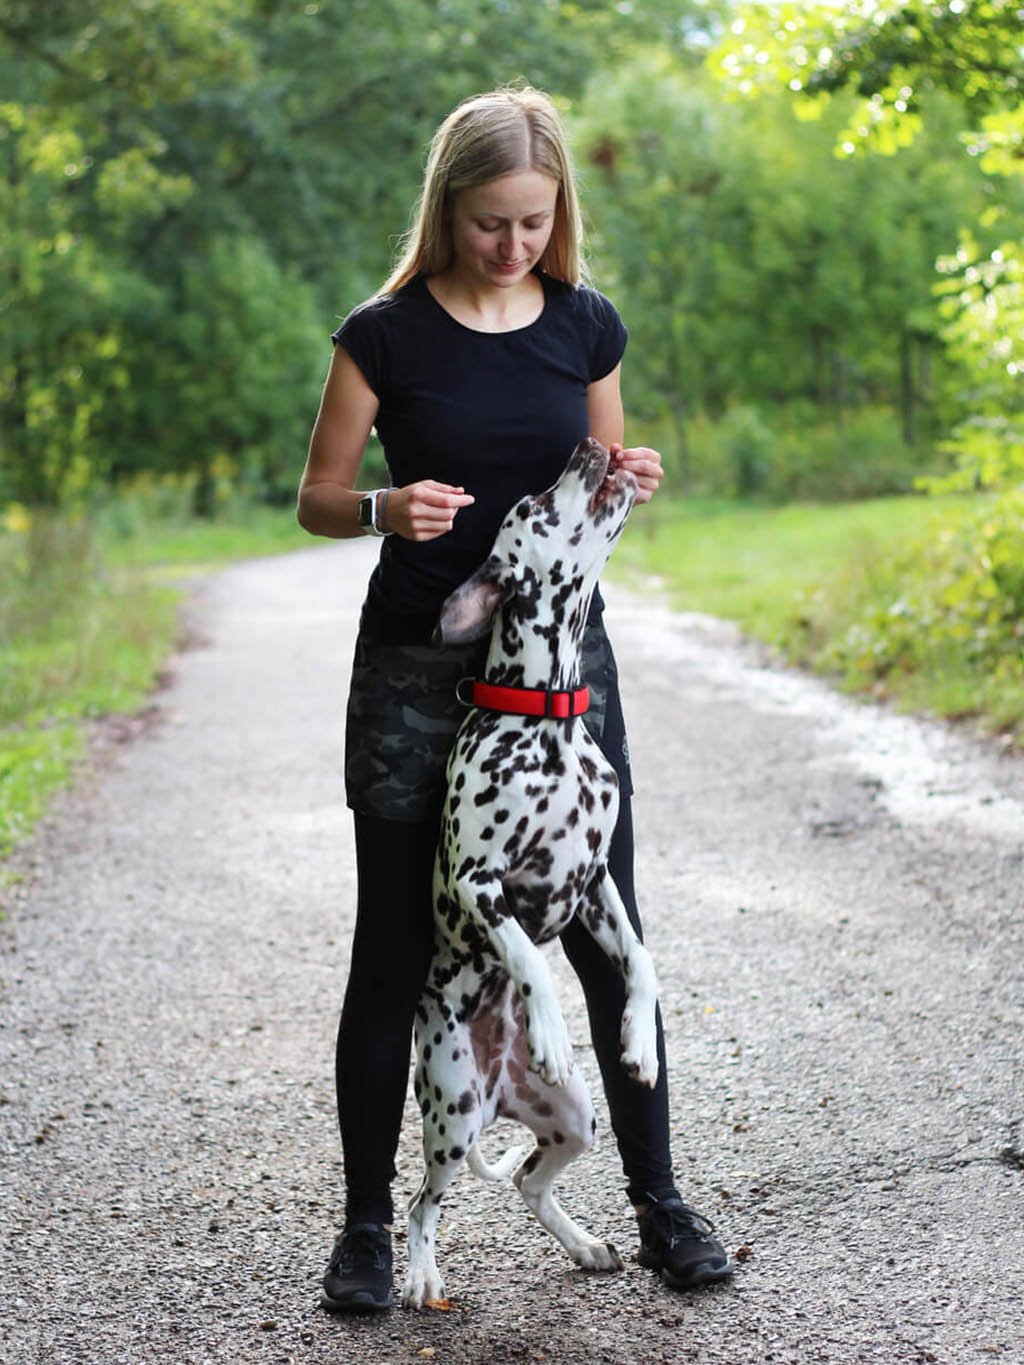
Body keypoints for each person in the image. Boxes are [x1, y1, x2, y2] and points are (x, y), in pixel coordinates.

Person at [297, 85, 732, 1313]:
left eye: (533, 224)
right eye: (490, 223)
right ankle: (369, 1229)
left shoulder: (584, 326)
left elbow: (601, 484)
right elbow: (317, 495)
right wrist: (384, 508)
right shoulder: (382, 334)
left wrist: (631, 478)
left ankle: (656, 1200)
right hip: (414, 674)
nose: (512, 247)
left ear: (558, 214)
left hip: (556, 676)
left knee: (605, 925)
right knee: (394, 943)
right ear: (448, 210)